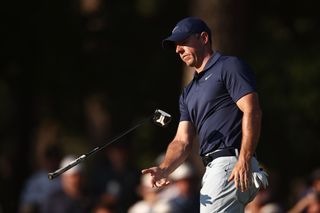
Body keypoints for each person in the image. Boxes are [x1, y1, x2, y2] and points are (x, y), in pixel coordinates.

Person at [142, 16, 268, 213]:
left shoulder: (228, 66)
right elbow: (182, 141)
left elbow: (252, 110)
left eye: (183, 42)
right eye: (176, 45)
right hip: (217, 168)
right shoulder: (188, 92)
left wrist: (244, 158)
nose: (178, 50)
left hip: (230, 165)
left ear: (203, 38)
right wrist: (165, 168)